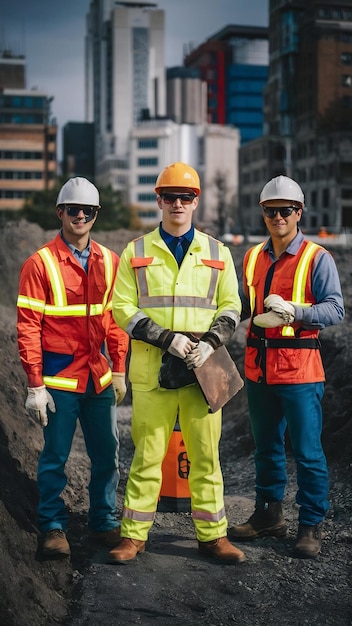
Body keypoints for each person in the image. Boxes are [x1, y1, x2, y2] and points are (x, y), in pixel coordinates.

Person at [109, 161, 245, 564]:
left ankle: (212, 536)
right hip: (153, 371)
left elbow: (232, 305)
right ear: (159, 200)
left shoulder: (218, 252)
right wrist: (166, 339)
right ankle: (133, 536)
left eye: (186, 197)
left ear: (196, 201)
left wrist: (213, 341)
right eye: (170, 197)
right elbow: (122, 308)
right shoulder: (135, 251)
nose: (178, 204)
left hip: (203, 371)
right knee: (147, 455)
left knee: (205, 455)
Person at [228, 175, 345, 558]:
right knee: (266, 446)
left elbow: (335, 309)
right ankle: (268, 514)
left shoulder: (317, 258)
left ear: (299, 212)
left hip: (299, 370)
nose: (279, 216)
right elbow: (245, 304)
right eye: (271, 210)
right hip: (259, 368)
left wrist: (296, 311)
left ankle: (310, 524)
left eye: (287, 210)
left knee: (308, 451)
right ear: (263, 212)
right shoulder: (252, 257)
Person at [17, 177, 129, 558]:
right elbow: (28, 327)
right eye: (73, 209)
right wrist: (35, 384)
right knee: (55, 457)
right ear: (60, 213)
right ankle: (51, 526)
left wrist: (120, 368)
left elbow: (115, 321)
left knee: (107, 453)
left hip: (97, 376)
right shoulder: (40, 263)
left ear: (96, 215)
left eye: (88, 210)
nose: (80, 216)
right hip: (58, 378)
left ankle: (103, 522)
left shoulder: (110, 262)